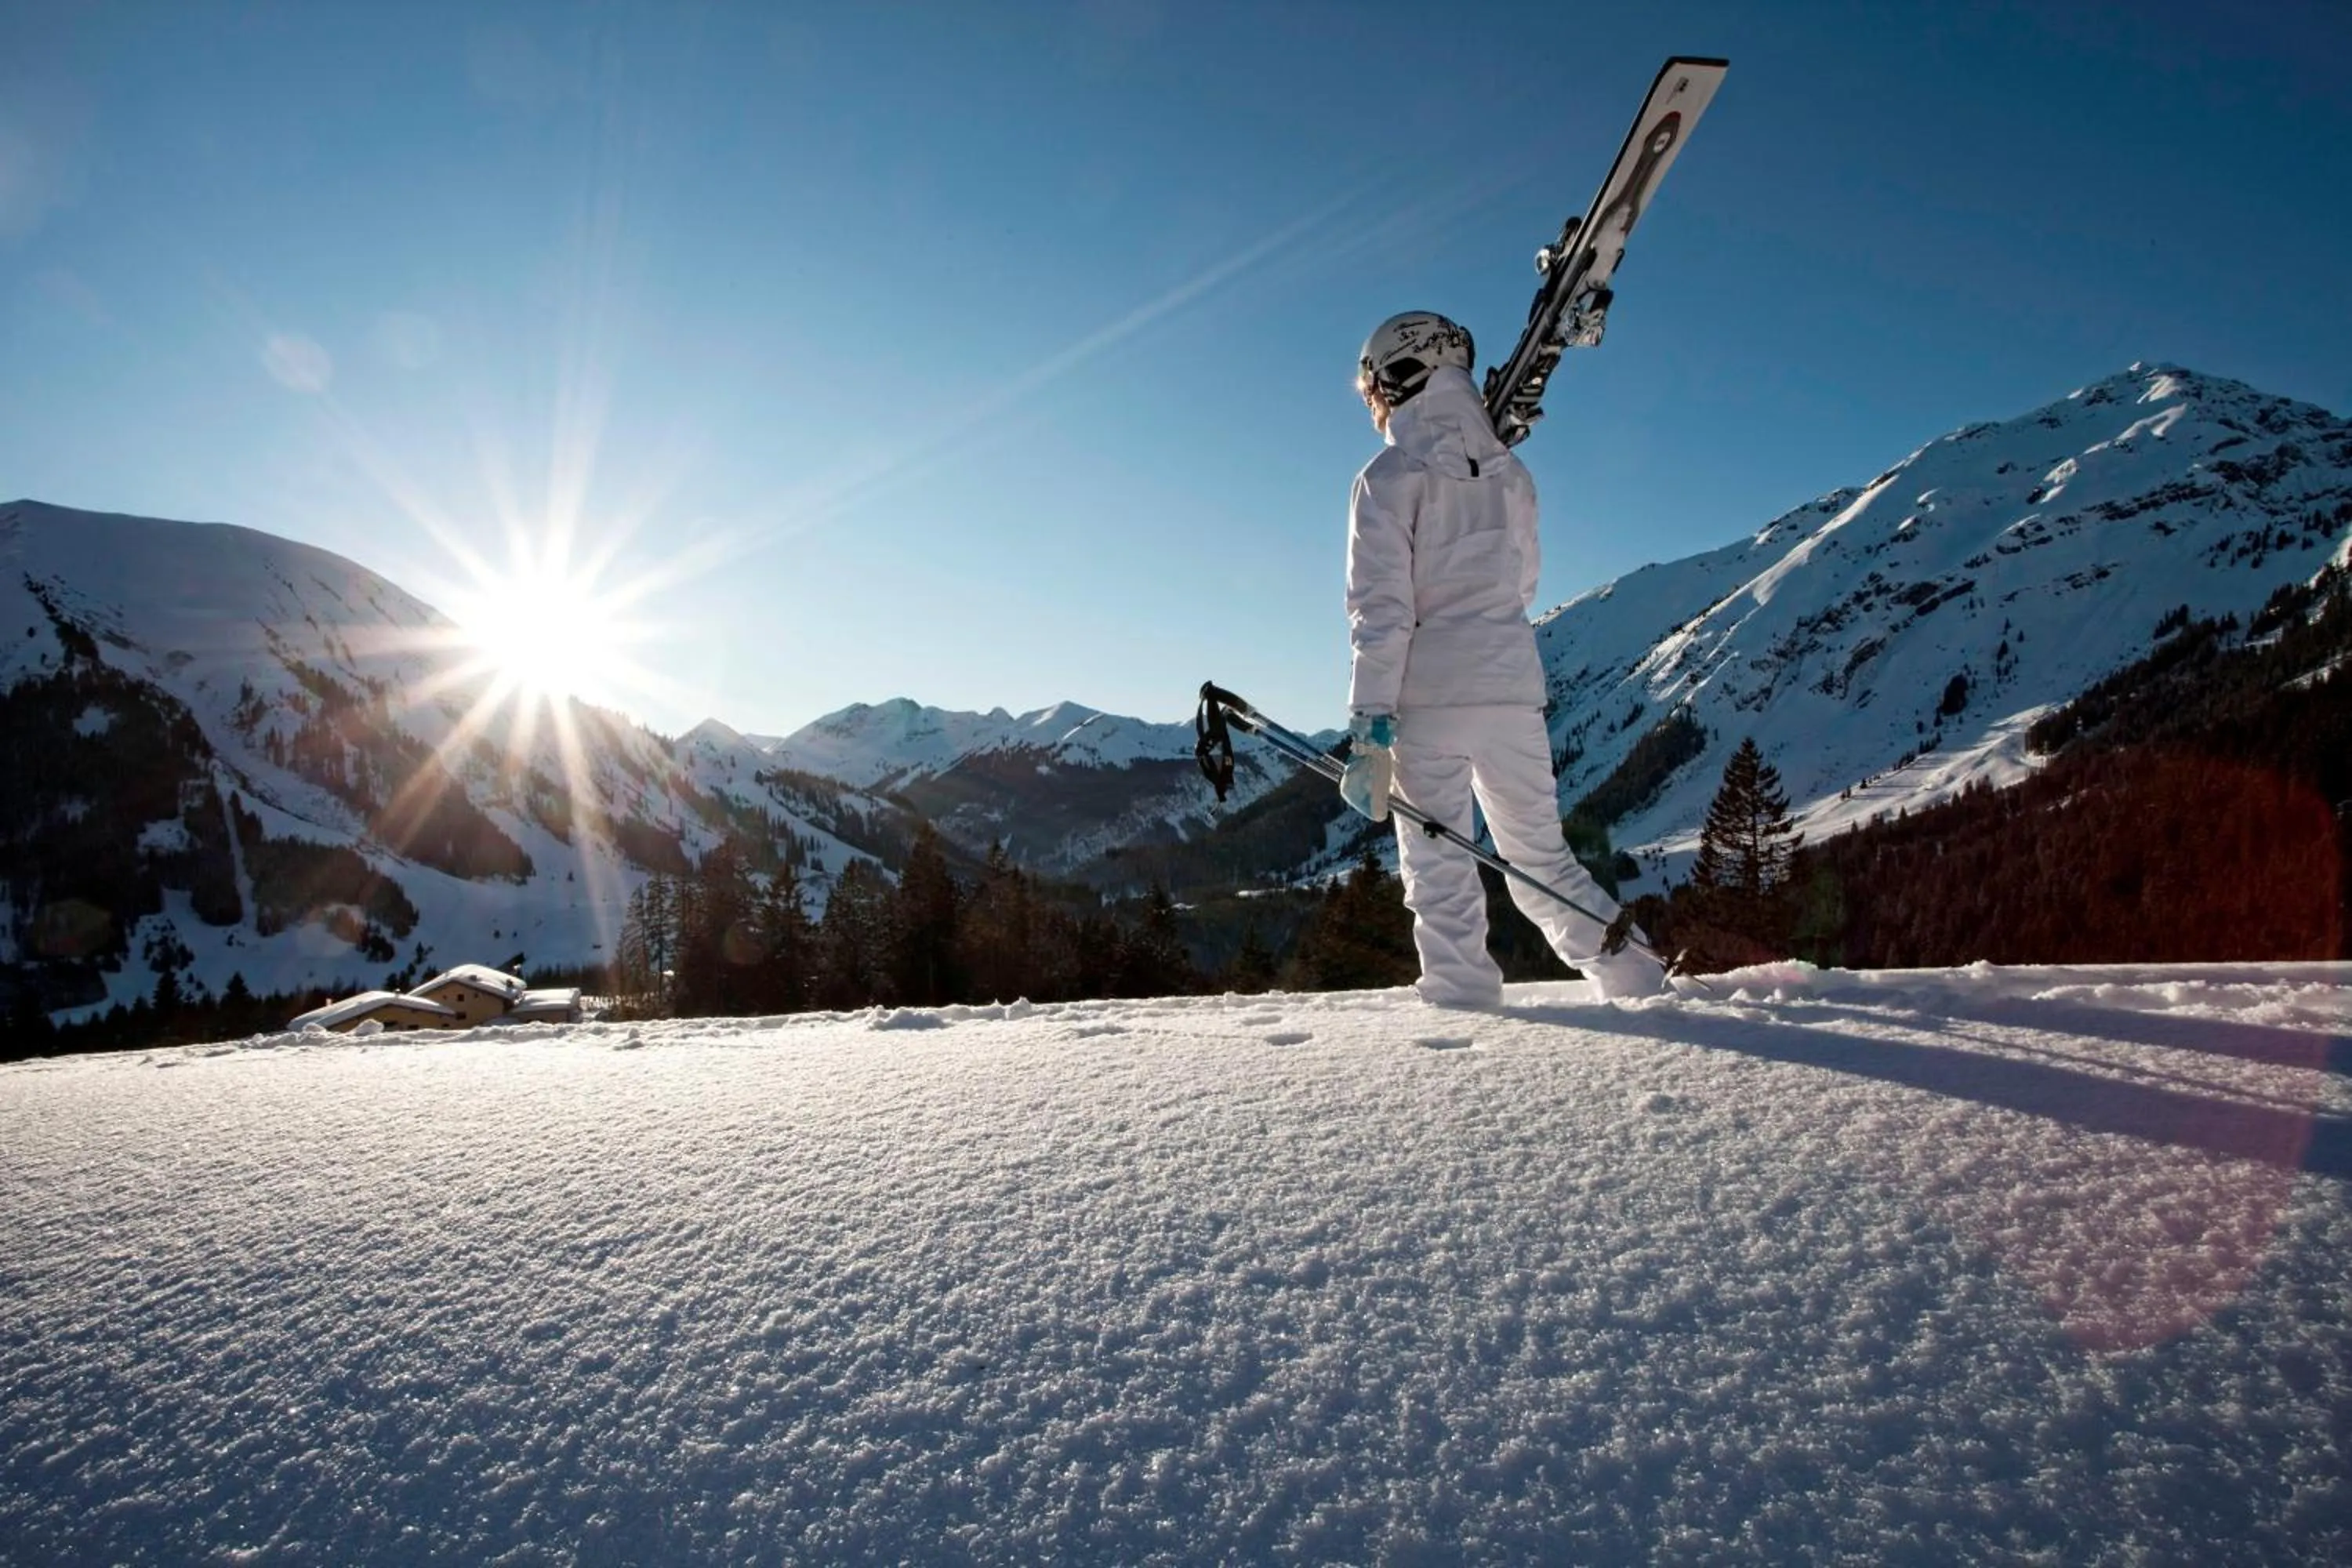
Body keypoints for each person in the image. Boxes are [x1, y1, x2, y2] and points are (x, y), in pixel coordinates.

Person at [1339, 310, 1668, 1007]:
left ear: (1400, 375)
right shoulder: (1511, 474)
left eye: (1373, 386)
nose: (1372, 401)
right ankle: (1636, 978)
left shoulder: (1388, 477)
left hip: (1428, 700)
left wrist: (1370, 726)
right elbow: (1524, 584)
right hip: (1513, 693)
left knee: (1438, 865)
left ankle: (1461, 997)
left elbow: (1382, 612)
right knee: (1540, 858)